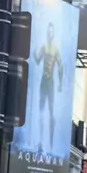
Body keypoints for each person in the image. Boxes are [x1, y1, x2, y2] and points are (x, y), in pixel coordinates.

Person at [33, 21, 64, 149]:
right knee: (41, 110)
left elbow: (60, 66)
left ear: (53, 33)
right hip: (43, 81)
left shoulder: (55, 49)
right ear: (47, 33)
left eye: (52, 31)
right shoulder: (44, 47)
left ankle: (51, 142)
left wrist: (61, 84)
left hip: (51, 82)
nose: (50, 33)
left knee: (51, 111)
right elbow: (38, 60)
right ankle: (40, 140)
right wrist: (34, 51)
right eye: (48, 31)